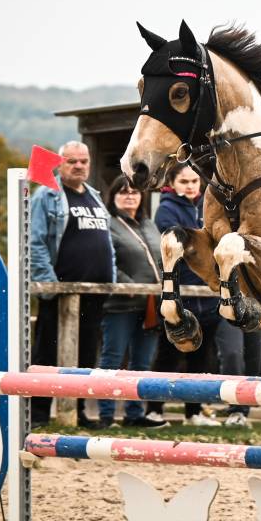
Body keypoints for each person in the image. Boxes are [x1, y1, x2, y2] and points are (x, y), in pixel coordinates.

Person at [29, 142, 115, 428]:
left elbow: (107, 242)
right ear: (59, 164)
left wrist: (110, 277)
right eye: (72, 161)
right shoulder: (47, 195)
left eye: (83, 161)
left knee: (86, 355)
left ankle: (76, 412)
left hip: (94, 293)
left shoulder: (95, 196)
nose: (79, 166)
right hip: (60, 293)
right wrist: (50, 285)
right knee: (48, 353)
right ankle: (39, 414)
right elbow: (35, 241)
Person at [150, 164, 223, 427]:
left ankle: (193, 412)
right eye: (184, 181)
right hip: (178, 291)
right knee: (168, 354)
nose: (191, 186)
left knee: (201, 356)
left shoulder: (207, 206)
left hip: (208, 291)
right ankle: (154, 409)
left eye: (195, 180)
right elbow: (183, 248)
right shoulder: (166, 209)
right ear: (172, 182)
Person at [99, 175, 165, 428]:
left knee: (142, 362)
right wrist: (127, 284)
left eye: (134, 192)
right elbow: (108, 260)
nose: (130, 196)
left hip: (151, 304)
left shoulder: (149, 225)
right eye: (123, 192)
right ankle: (105, 415)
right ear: (113, 197)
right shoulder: (108, 224)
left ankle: (134, 413)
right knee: (112, 360)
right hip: (120, 304)